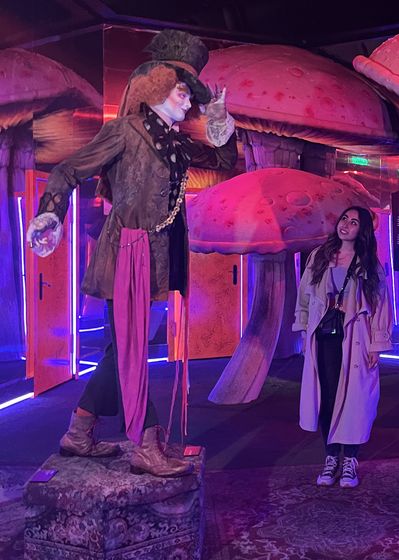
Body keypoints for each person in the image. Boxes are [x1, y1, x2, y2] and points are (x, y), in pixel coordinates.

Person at [25, 30, 238, 476]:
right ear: (155, 88)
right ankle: (145, 441)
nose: (189, 102)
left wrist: (220, 121)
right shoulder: (123, 131)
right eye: (183, 91)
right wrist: (51, 213)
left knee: (122, 349)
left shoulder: (173, 140)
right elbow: (67, 169)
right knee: (128, 351)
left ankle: (79, 431)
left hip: (156, 257)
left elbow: (221, 162)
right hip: (125, 254)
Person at [293, 207, 393, 489]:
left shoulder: (369, 264)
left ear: (362, 231)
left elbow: (381, 305)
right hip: (324, 337)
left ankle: (350, 459)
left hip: (356, 338)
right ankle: (330, 456)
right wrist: (303, 330)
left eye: (354, 222)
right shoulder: (319, 257)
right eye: (344, 219)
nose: (346, 225)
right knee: (326, 395)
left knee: (355, 398)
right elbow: (304, 297)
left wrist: (377, 344)